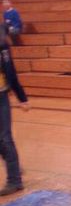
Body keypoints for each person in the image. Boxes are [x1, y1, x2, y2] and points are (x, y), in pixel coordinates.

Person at [0, 24, 29, 196]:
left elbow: (11, 73)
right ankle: (16, 169)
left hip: (1, 96)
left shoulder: (2, 47)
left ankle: (15, 181)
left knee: (4, 138)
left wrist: (22, 98)